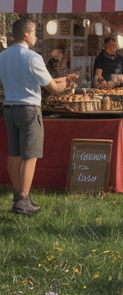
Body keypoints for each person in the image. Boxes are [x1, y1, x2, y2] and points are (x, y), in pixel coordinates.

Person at [1, 19, 78, 216]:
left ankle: (19, 196)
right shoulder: (32, 57)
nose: (36, 35)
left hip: (9, 107)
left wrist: (63, 79)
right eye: (34, 31)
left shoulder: (3, 56)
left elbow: (42, 80)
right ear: (26, 34)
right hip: (28, 109)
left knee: (15, 154)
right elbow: (51, 87)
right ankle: (23, 199)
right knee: (31, 155)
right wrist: (66, 85)